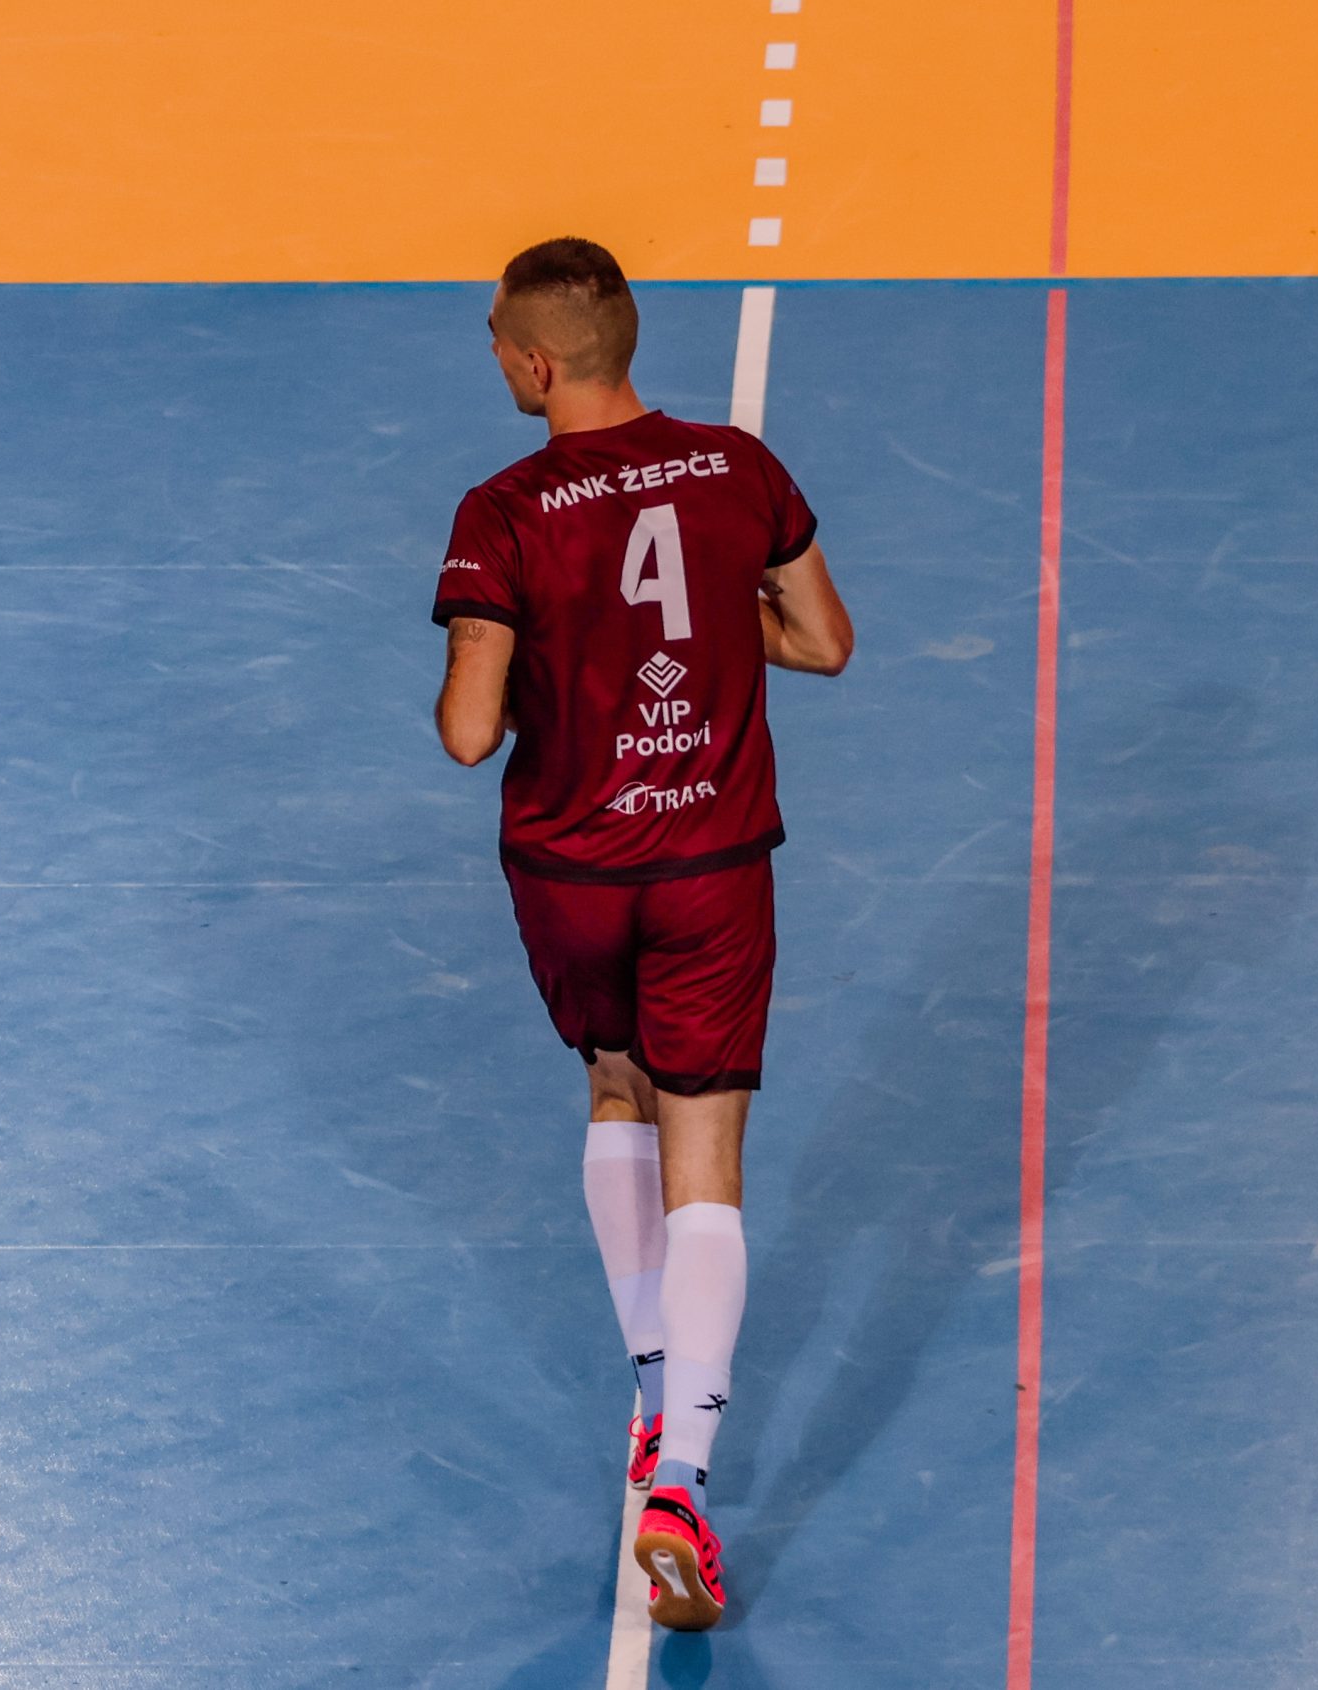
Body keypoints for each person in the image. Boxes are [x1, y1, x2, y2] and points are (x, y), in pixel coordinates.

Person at [431, 237, 853, 1631]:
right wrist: (719, 635)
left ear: (536, 363)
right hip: (712, 866)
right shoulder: (737, 469)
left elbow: (469, 731)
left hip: (572, 870)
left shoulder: (503, 511)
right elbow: (825, 641)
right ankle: (682, 1482)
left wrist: (544, 660)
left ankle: (655, 1387)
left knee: (617, 1085)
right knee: (709, 1156)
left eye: (498, 343)